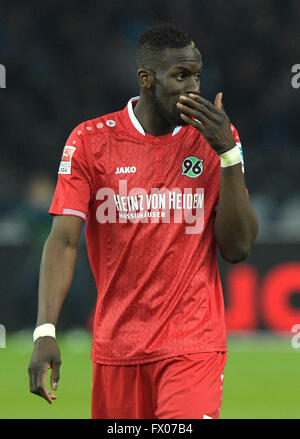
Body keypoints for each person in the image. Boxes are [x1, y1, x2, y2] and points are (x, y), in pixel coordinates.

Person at [28, 22, 258, 419]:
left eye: (197, 75)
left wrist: (228, 155)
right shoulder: (90, 141)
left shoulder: (214, 139)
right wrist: (45, 330)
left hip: (193, 345)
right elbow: (64, 240)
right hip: (116, 350)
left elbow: (238, 249)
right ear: (146, 79)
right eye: (180, 76)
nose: (194, 88)